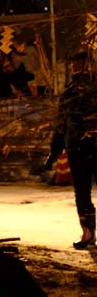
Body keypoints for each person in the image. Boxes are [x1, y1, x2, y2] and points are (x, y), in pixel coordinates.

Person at [41, 51, 97, 249]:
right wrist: (54, 153)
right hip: (77, 149)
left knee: (82, 191)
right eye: (74, 66)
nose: (76, 70)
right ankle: (88, 233)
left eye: (80, 65)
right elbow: (61, 126)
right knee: (81, 192)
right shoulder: (68, 94)